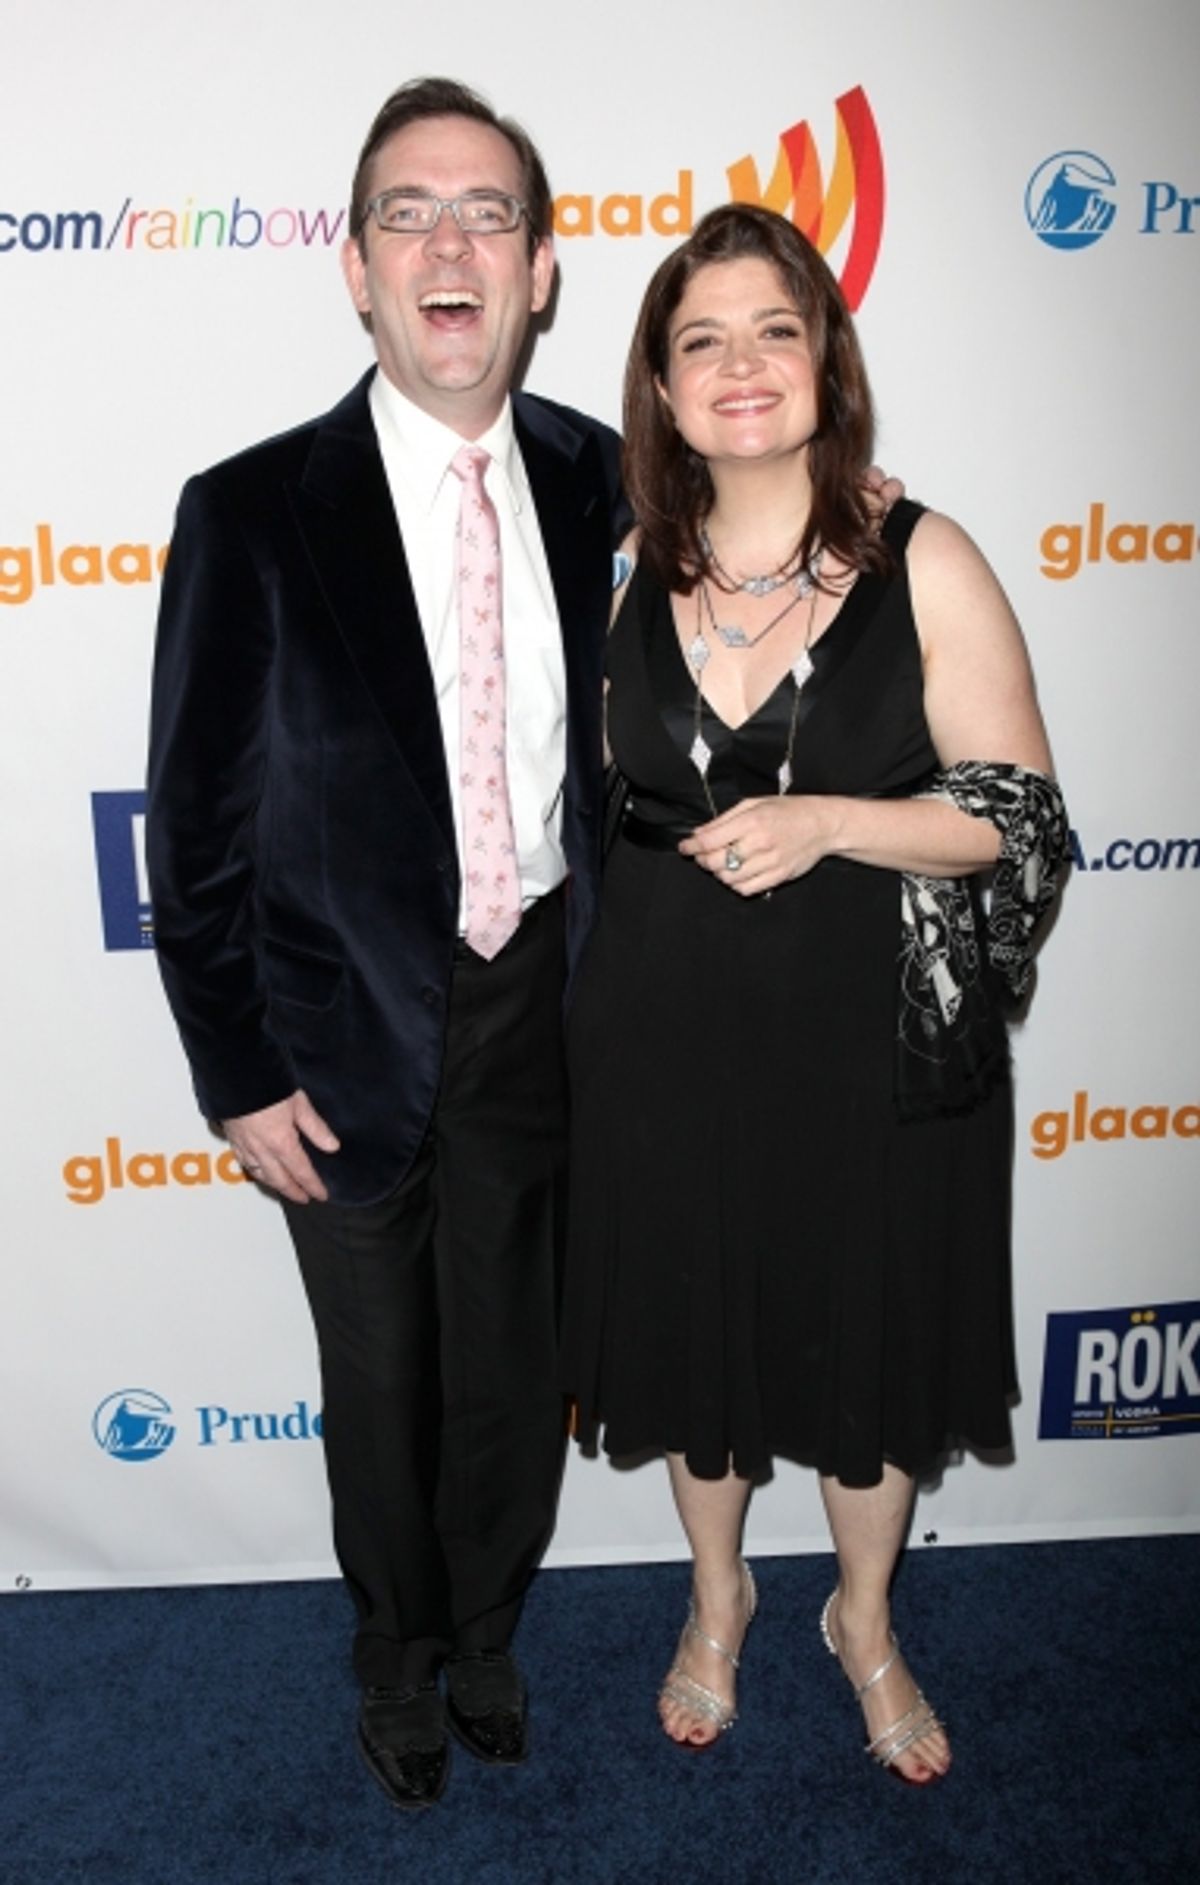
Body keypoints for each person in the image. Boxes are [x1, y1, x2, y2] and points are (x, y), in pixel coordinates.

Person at [146, 77, 628, 1812]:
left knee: (512, 1364)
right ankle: (398, 1654)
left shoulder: (604, 482)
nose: (449, 242)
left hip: (537, 1009)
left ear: (542, 268)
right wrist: (235, 1069)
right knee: (385, 1384)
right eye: (409, 213)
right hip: (336, 1032)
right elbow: (191, 827)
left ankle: (489, 1631)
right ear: (357, 270)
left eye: (487, 212)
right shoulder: (253, 510)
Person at [560, 204, 1067, 1783]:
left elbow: (1019, 812)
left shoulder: (927, 554)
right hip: (656, 1032)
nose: (740, 365)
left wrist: (832, 819)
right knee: (696, 1338)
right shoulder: (622, 565)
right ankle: (718, 1596)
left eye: (773, 328)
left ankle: (865, 1616)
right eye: (699, 338)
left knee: (871, 1346)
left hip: (869, 1047)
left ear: (825, 357)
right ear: (659, 378)